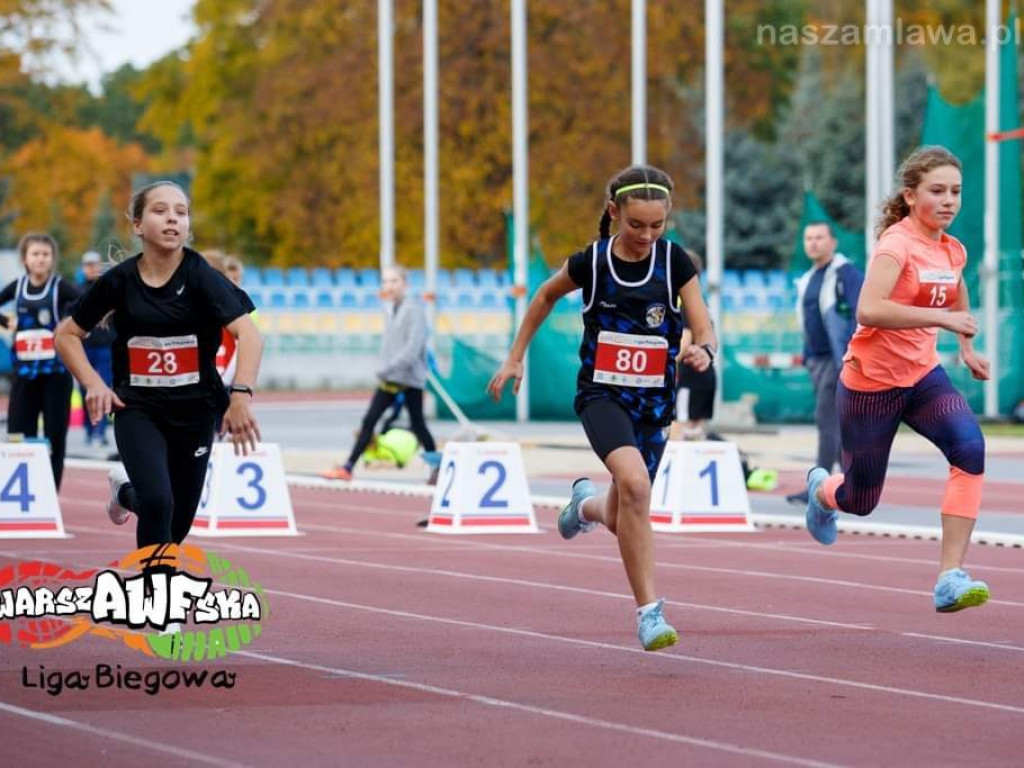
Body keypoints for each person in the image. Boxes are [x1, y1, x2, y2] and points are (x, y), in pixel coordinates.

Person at [488, 165, 716, 651]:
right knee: (634, 487)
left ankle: (584, 505)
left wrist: (704, 349)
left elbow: (705, 325)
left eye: (657, 226)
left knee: (623, 512)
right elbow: (545, 296)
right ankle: (650, 613)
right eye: (636, 226)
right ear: (614, 213)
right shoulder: (591, 263)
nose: (646, 236)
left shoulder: (675, 263)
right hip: (602, 396)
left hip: (654, 404)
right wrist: (515, 357)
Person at [803, 146, 991, 613]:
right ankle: (822, 491)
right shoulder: (896, 244)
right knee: (861, 499)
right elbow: (870, 308)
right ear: (910, 196)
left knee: (970, 450)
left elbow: (956, 285)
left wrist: (966, 347)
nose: (949, 201)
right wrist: (943, 321)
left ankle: (950, 577)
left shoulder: (952, 249)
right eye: (937, 191)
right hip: (870, 384)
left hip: (923, 376)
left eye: (956, 192)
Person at [55, 181, 263, 561]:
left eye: (181, 213)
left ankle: (122, 493)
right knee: (157, 501)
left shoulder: (200, 275)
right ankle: (159, 600)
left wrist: (240, 397)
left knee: (178, 520)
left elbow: (250, 335)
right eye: (161, 210)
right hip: (138, 408)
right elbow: (66, 335)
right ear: (138, 225)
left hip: (197, 410)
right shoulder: (118, 280)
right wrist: (94, 384)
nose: (173, 219)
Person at [323, 267, 440, 481]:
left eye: (394, 281)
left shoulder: (414, 309)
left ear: (405, 283)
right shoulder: (391, 308)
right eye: (386, 281)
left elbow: (412, 348)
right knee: (369, 421)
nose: (389, 286)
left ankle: (438, 467)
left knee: (418, 424)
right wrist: (386, 368)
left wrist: (387, 368)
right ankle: (348, 467)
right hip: (391, 379)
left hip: (409, 379)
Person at [786, 222, 863, 504]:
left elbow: (860, 312)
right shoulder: (808, 278)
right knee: (837, 423)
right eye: (808, 238)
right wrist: (807, 356)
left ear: (833, 242)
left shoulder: (846, 274)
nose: (814, 243)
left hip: (838, 358)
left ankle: (818, 487)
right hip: (816, 359)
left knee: (825, 417)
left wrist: (851, 354)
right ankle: (854, 486)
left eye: (819, 238)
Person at [0, 233, 81, 488]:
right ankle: (24, 490)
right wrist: (7, 324)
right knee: (18, 432)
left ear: (52, 259)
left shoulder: (60, 287)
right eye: (35, 254)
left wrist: (70, 324)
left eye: (45, 255)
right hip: (24, 374)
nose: (40, 259)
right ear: (25, 258)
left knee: (55, 435)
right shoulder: (17, 287)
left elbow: (87, 305)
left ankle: (50, 492)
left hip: (56, 374)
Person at [670, 249, 716, 441]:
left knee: (678, 431)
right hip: (706, 376)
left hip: (689, 379)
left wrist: (663, 364)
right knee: (696, 434)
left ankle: (674, 472)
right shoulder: (700, 303)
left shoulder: (685, 304)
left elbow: (685, 339)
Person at [78, 250, 115, 447]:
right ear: (83, 268)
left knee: (104, 386)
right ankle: (88, 429)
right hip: (84, 348)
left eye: (94, 264)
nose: (91, 268)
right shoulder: (76, 290)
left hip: (105, 347)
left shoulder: (109, 287)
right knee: (85, 388)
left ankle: (99, 431)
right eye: (88, 265)